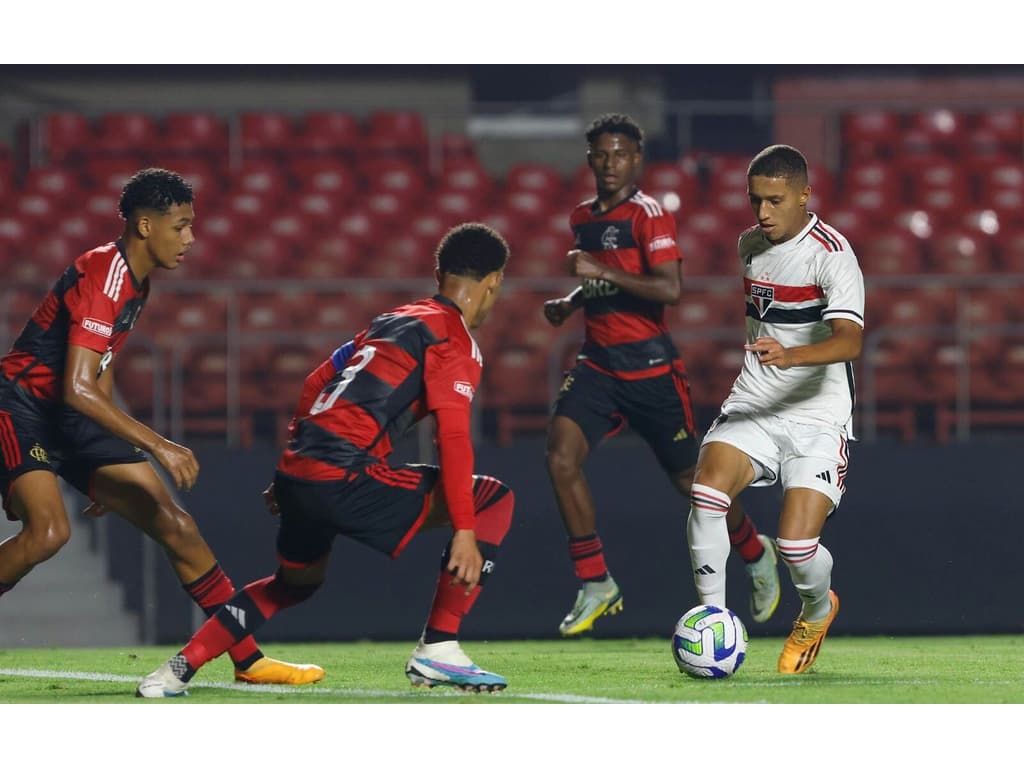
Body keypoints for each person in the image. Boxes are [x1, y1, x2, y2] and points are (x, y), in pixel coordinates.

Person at [137, 222, 514, 697]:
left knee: (295, 582)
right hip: (346, 474)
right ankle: (439, 647)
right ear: (495, 281)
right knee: (492, 500)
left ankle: (175, 670)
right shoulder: (454, 341)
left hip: (300, 469)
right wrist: (464, 530)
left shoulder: (390, 321)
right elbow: (453, 437)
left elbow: (317, 380)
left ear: (438, 273)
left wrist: (296, 459)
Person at [0, 168, 322, 686]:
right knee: (50, 532)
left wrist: (109, 462)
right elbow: (75, 388)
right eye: (182, 226)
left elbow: (97, 378)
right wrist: (156, 445)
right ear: (146, 226)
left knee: (177, 525)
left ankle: (248, 659)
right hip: (22, 407)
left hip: (72, 417)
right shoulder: (104, 273)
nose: (191, 238)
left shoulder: (137, 282)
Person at [543, 113, 780, 636]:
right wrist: (573, 300)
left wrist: (596, 273)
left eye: (620, 154)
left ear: (637, 160)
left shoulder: (649, 214)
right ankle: (595, 582)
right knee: (559, 458)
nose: (610, 164)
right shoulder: (582, 217)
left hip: (650, 369)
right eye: (601, 155)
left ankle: (754, 551)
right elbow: (613, 281)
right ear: (590, 160)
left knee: (691, 484)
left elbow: (668, 288)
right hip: (598, 365)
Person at [686, 144, 864, 674]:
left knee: (795, 547)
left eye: (775, 200)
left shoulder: (832, 253)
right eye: (755, 200)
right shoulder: (750, 246)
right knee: (705, 490)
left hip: (818, 416)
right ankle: (711, 621)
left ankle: (815, 609)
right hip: (755, 403)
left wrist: (793, 354)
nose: (762, 213)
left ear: (805, 195)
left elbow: (851, 340)